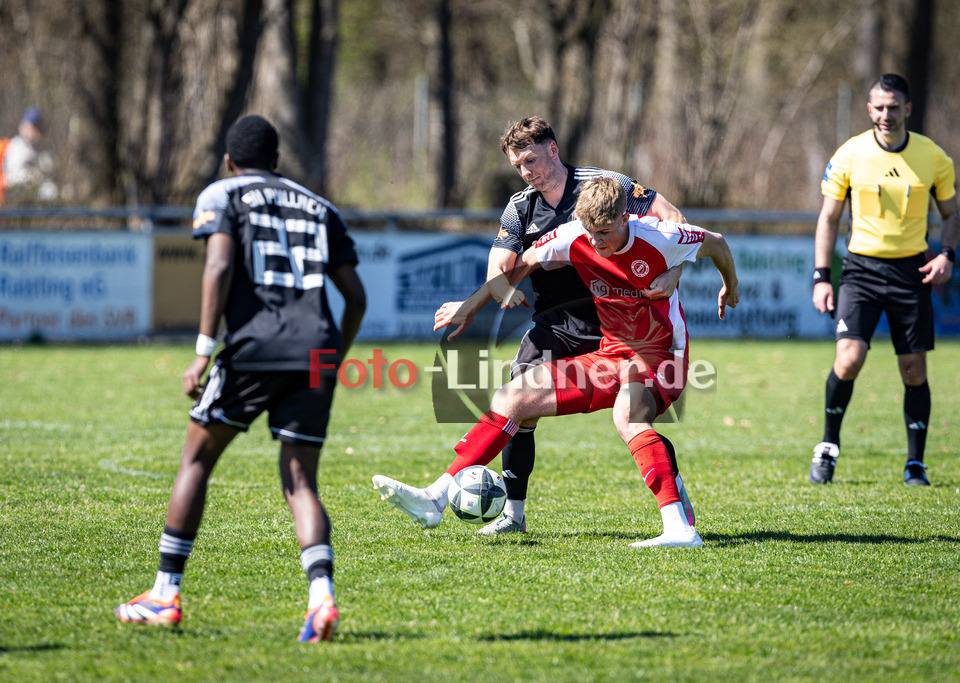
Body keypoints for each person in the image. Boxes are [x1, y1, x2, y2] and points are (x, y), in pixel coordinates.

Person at [374, 177, 738, 547]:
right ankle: (436, 498)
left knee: (627, 416)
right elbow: (525, 262)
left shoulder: (662, 236)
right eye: (591, 233)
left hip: (662, 356)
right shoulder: (573, 235)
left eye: (606, 232)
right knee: (512, 397)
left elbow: (718, 244)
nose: (597, 242)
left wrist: (730, 286)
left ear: (625, 217)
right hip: (610, 354)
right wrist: (471, 306)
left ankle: (679, 529)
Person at [114, 115, 367, 643]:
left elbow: (219, 267)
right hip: (316, 350)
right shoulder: (321, 207)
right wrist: (332, 358)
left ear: (229, 161)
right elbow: (356, 297)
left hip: (255, 347)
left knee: (196, 459)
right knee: (301, 482)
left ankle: (164, 593)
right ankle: (321, 598)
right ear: (277, 160)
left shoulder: (222, 193)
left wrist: (203, 350)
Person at [432, 116, 691, 536]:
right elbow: (502, 261)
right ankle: (513, 515)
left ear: (554, 150)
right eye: (518, 165)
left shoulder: (603, 185)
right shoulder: (520, 206)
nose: (526, 171)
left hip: (617, 324)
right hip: (555, 323)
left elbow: (670, 216)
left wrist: (674, 272)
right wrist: (498, 290)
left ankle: (672, 492)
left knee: (635, 414)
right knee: (517, 402)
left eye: (531, 160)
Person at [809, 73, 960, 486]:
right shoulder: (849, 154)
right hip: (861, 271)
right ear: (869, 109)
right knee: (849, 359)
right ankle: (827, 447)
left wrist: (947, 255)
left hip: (911, 272)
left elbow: (951, 217)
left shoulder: (932, 156)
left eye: (894, 107)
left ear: (907, 109)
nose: (886, 114)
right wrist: (822, 277)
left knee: (914, 369)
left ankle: (916, 463)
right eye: (878, 107)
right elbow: (828, 218)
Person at [0, 107, 57, 204]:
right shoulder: (16, 147)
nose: (33, 131)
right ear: (22, 127)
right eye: (30, 127)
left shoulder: (39, 150)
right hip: (10, 198)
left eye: (35, 127)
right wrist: (32, 177)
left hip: (28, 198)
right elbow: (11, 178)